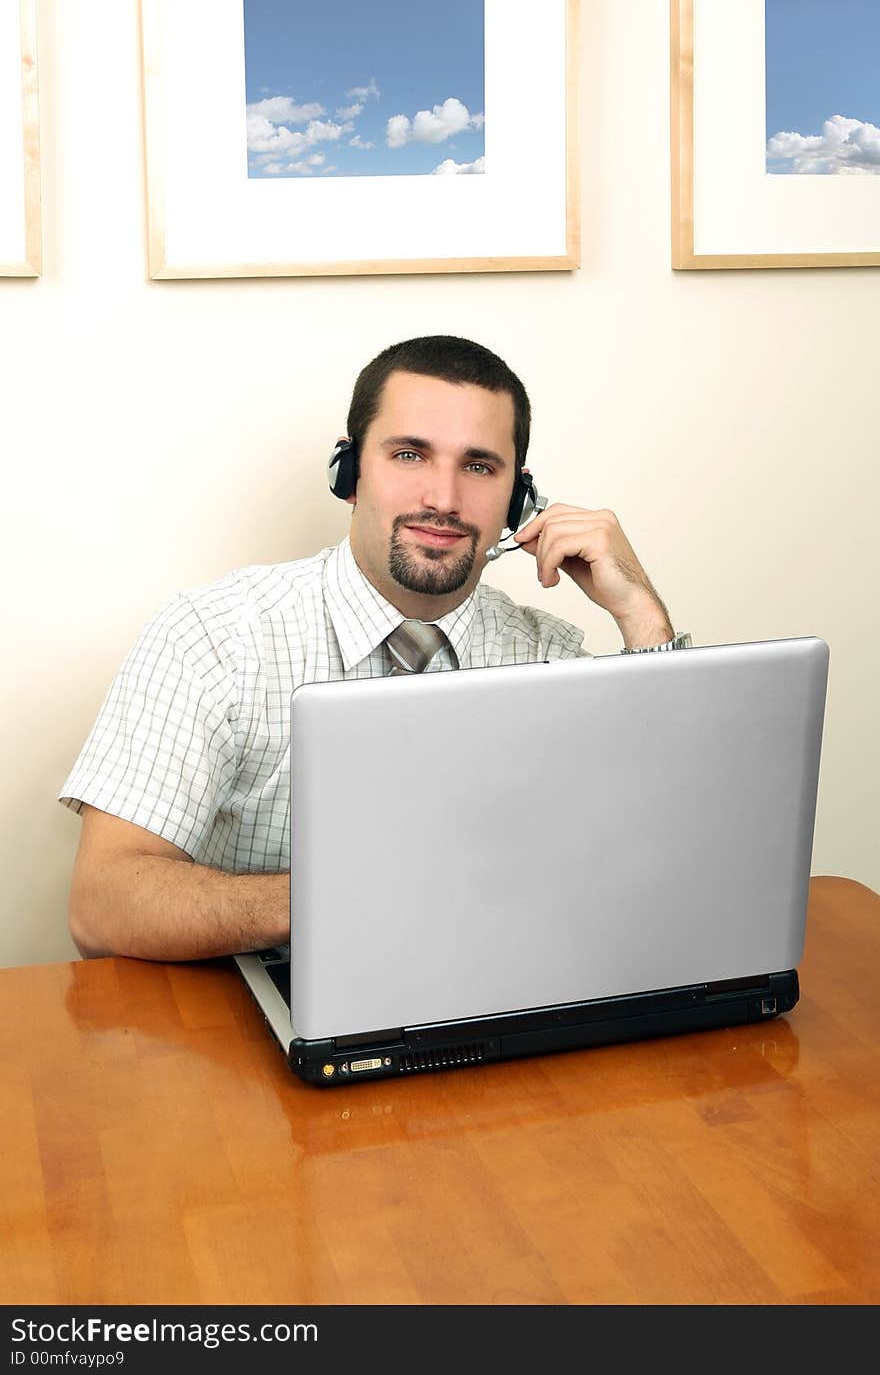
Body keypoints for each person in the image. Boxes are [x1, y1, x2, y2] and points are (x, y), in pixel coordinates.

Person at [60, 335, 691, 962]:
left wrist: (642, 616)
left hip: (498, 1004)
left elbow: (669, 870)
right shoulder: (215, 637)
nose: (443, 500)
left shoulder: (551, 659)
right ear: (349, 472)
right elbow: (103, 902)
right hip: (259, 1022)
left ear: (517, 501)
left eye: (478, 466)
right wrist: (348, 899)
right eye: (410, 455)